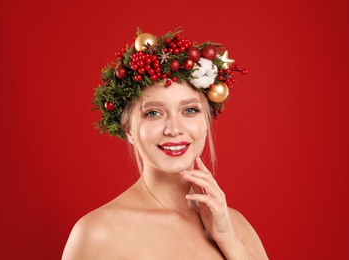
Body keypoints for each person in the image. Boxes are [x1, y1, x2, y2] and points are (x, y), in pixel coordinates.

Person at [62, 28, 268, 259]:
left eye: (190, 110)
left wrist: (227, 239)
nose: (174, 129)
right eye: (153, 113)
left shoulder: (234, 226)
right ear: (129, 129)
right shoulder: (98, 233)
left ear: (207, 121)